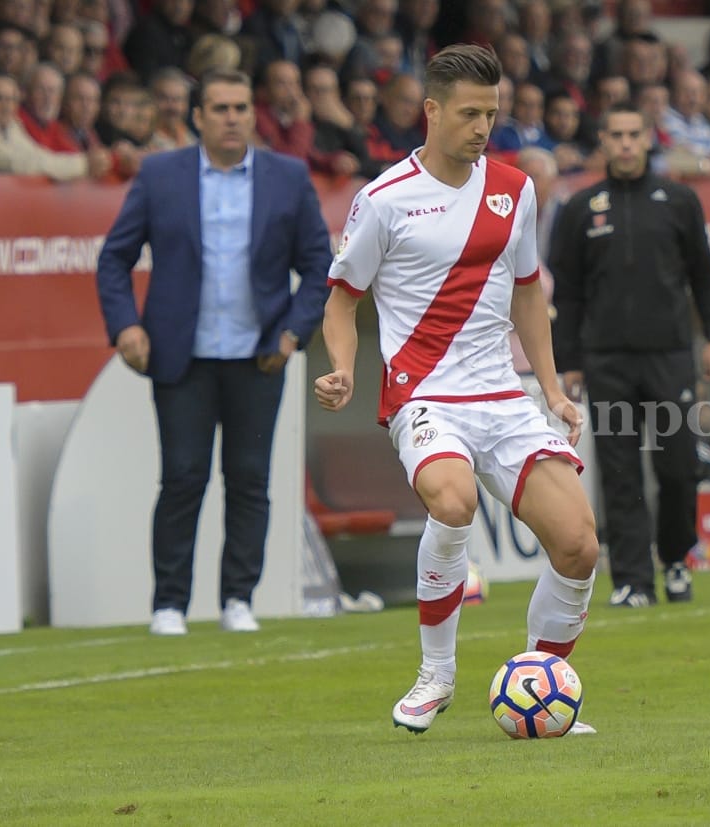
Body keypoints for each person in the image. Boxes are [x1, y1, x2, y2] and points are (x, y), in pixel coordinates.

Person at [317, 44, 600, 736]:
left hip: (501, 396)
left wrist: (552, 389)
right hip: (423, 396)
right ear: (432, 111)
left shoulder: (514, 188)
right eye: (470, 114)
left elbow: (528, 293)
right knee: (453, 500)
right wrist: (345, 367)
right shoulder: (383, 199)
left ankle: (539, 687)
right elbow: (342, 301)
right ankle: (435, 675)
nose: (483, 127)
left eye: (491, 114)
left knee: (579, 545)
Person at [95, 68, 332, 636]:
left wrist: (293, 334)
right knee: (182, 478)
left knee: (249, 480)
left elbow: (320, 267)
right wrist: (125, 327)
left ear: (253, 114)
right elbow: (114, 259)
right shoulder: (160, 175)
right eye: (220, 108)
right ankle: (169, 604)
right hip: (181, 356)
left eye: (241, 107)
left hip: (260, 356)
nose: (232, 118)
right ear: (197, 117)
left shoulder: (287, 176)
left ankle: (238, 600)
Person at [549, 102, 710, 609]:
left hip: (669, 355)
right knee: (620, 473)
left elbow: (705, 275)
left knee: (679, 468)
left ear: (648, 138)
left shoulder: (679, 200)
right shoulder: (580, 207)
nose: (626, 144)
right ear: (603, 142)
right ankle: (632, 581)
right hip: (606, 360)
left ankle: (675, 559)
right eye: (616, 135)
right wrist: (569, 361)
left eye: (633, 134)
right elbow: (567, 293)